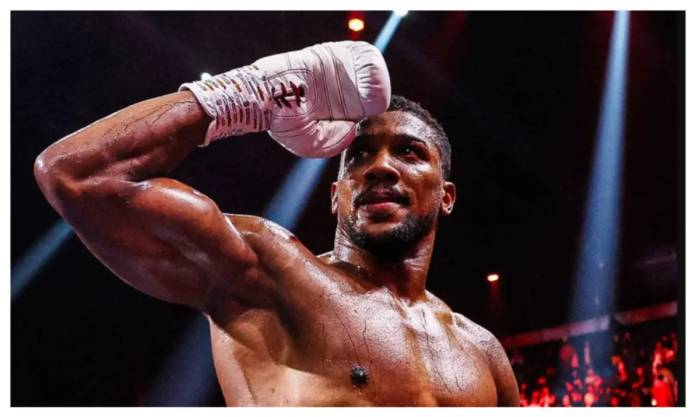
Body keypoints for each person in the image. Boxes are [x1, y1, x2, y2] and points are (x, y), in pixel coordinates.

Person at [34, 41, 519, 407]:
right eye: (359, 155)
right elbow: (77, 176)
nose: (381, 167)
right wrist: (247, 92)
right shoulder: (271, 276)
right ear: (336, 195)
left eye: (409, 152)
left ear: (446, 197)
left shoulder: (484, 353)